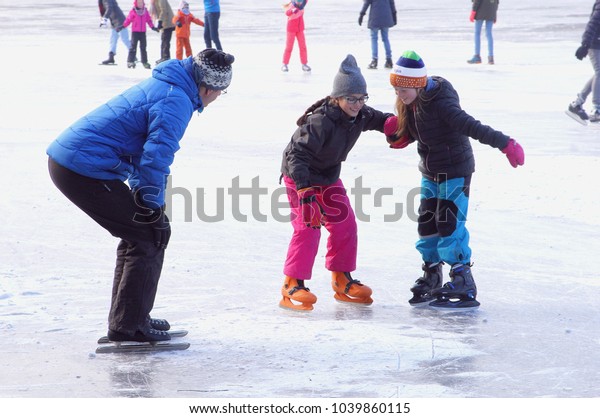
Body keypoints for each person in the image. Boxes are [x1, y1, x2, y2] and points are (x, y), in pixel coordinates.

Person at [46, 49, 234, 343]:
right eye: (222, 92)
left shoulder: (172, 85)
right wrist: (153, 208)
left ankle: (130, 319)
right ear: (210, 88)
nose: (218, 98)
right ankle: (129, 327)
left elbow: (139, 153)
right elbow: (155, 158)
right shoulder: (176, 100)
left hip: (76, 163)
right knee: (149, 235)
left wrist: (148, 205)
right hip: (81, 168)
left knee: (141, 233)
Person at [384, 50, 524, 309]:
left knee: (449, 224)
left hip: (455, 171)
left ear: (416, 84)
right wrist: (399, 134)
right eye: (396, 89)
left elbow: (471, 126)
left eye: (402, 89)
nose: (399, 95)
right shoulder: (411, 103)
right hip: (430, 172)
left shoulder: (441, 103)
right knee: (427, 225)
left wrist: (505, 143)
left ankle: (463, 279)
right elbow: (422, 132)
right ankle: (432, 274)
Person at [279, 54, 393, 311]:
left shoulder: (360, 115)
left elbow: (379, 120)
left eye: (361, 98)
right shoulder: (322, 121)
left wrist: (394, 125)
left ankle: (342, 279)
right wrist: (305, 192)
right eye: (350, 99)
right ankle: (292, 282)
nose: (357, 104)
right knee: (308, 227)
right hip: (300, 176)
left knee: (345, 223)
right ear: (337, 98)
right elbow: (297, 155)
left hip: (328, 177)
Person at [567, 0, 600, 124]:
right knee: (599, 72)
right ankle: (596, 110)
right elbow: (593, 24)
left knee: (599, 73)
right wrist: (585, 45)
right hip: (595, 44)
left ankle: (577, 104)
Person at [358, 0, 397, 70]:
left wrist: (361, 14)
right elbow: (392, 3)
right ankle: (389, 60)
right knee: (385, 38)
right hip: (386, 17)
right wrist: (394, 15)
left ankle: (374, 60)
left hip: (375, 17)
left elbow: (366, 3)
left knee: (374, 39)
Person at [121, 0, 160, 69]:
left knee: (143, 47)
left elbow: (149, 20)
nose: (140, 4)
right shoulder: (133, 11)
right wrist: (123, 26)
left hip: (142, 33)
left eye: (141, 3)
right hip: (135, 32)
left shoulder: (145, 11)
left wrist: (153, 27)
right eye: (139, 3)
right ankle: (130, 61)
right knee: (133, 47)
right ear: (136, 3)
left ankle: (144, 61)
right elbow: (128, 20)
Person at [98, 0, 131, 65]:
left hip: (120, 21)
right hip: (114, 22)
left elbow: (109, 8)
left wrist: (104, 19)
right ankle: (111, 57)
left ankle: (133, 55)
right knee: (113, 40)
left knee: (125, 39)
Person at [281, 0, 311, 72]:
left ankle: (304, 64)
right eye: (298, 1)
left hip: (300, 29)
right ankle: (285, 64)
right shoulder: (292, 5)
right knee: (289, 47)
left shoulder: (303, 4)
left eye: (301, 1)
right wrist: (292, 11)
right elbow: (287, 13)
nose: (300, 2)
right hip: (291, 29)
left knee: (303, 47)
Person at [467, 0, 499, 65]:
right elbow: (497, 2)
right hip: (491, 12)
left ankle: (477, 56)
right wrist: (494, 15)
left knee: (477, 33)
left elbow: (477, 1)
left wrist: (473, 12)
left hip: (480, 12)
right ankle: (491, 58)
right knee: (489, 34)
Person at [149, 0, 176, 64]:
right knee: (164, 40)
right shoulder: (155, 1)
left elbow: (163, 10)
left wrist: (160, 21)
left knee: (165, 40)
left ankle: (165, 57)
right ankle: (164, 57)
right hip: (165, 23)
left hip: (168, 23)